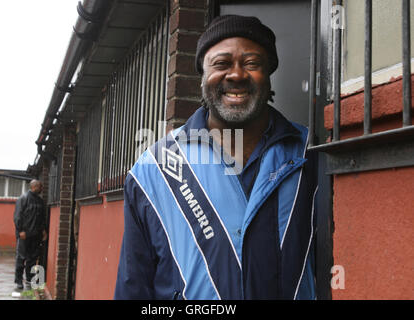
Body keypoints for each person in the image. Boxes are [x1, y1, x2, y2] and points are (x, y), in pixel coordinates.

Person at [115, 15, 318, 300]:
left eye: (252, 63)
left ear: (269, 75)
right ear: (203, 76)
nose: (236, 75)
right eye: (221, 64)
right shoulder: (154, 169)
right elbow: (133, 284)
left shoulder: (310, 154)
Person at [13, 179, 47, 290]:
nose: (41, 188)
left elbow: (42, 217)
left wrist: (43, 231)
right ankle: (18, 281)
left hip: (35, 235)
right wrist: (20, 231)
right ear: (34, 186)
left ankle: (29, 279)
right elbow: (17, 216)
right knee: (21, 257)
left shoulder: (40, 201)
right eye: (40, 186)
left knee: (32, 259)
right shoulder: (23, 198)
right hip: (24, 234)